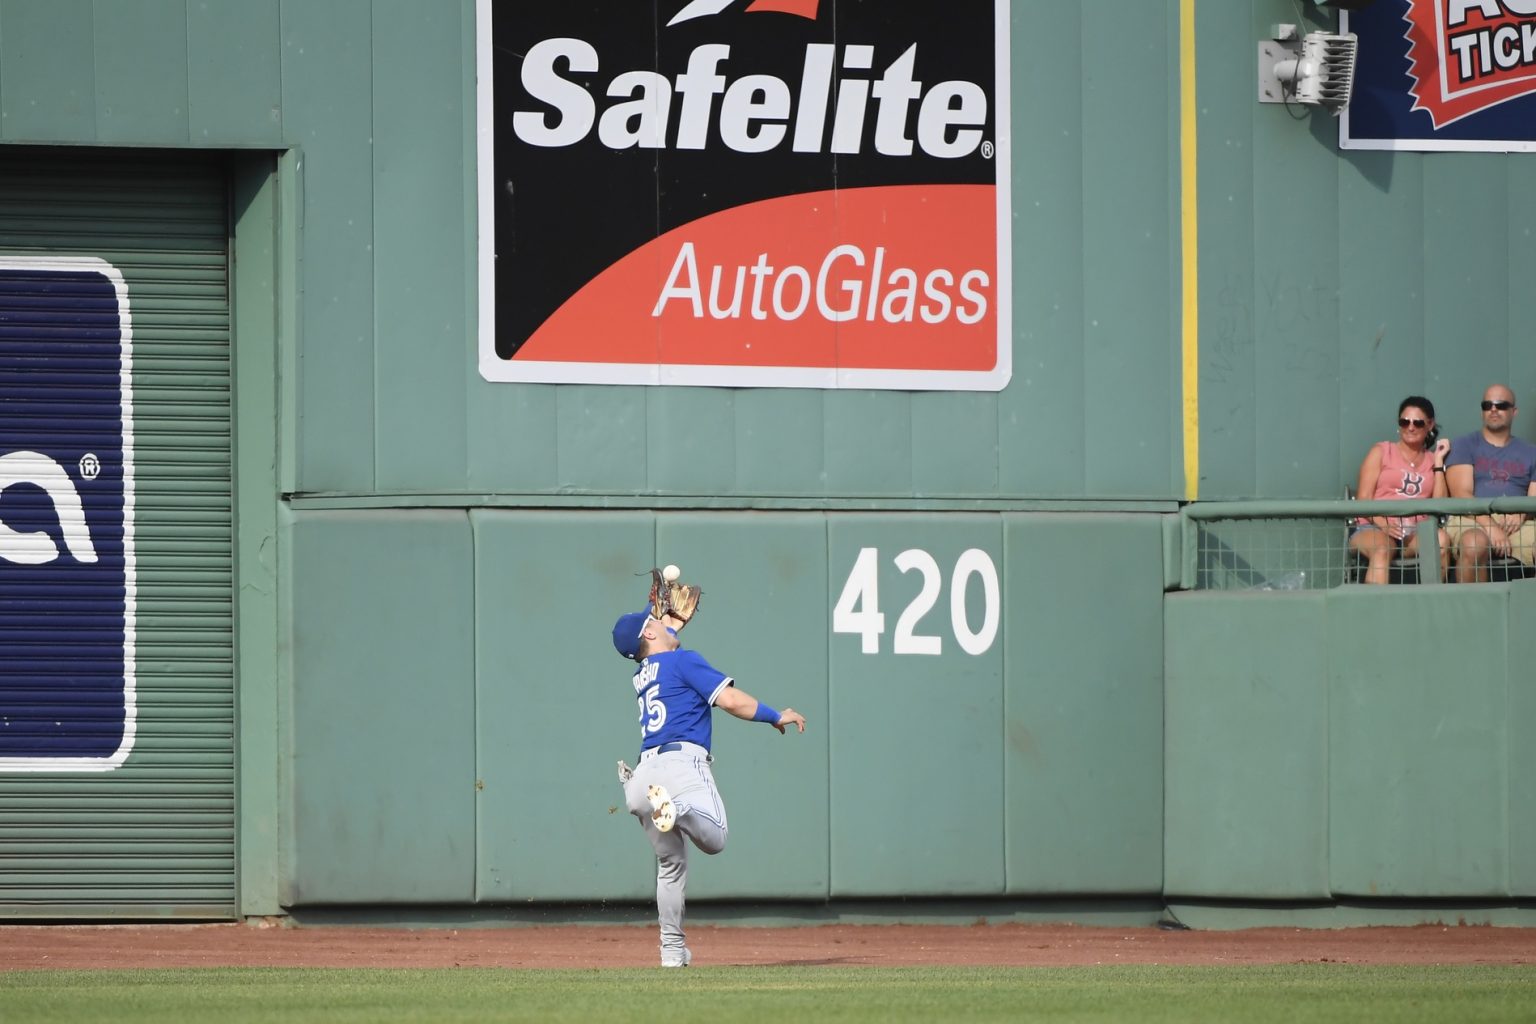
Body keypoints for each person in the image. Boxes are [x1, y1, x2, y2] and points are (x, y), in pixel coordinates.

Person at [611, 606, 806, 968]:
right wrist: (775, 715)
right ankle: (681, 810)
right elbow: (730, 700)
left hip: (642, 778)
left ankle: (671, 952)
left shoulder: (642, 673)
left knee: (670, 867)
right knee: (715, 840)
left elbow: (651, 642)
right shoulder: (684, 660)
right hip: (679, 768)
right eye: (654, 620)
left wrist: (665, 626)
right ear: (650, 634)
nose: (661, 620)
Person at [1348, 395, 1451, 584]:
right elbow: (1363, 498)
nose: (1410, 427)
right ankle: (1376, 611)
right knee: (1382, 549)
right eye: (1405, 422)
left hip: (1413, 533)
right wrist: (1384, 523)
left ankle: (1432, 604)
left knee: (1441, 540)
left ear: (1429, 425)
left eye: (1418, 423)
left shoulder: (1431, 459)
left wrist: (1438, 462)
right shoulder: (1382, 451)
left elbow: (1440, 504)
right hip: (1373, 527)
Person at [1446, 384, 1536, 582]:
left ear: (1514, 411)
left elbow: (1534, 497)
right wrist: (1491, 526)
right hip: (1472, 519)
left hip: (1518, 520)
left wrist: (1521, 513)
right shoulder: (1464, 444)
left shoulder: (1531, 452)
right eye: (1488, 405)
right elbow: (1461, 495)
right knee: (1473, 543)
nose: (1493, 409)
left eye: (1501, 405)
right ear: (1482, 412)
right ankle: (1471, 611)